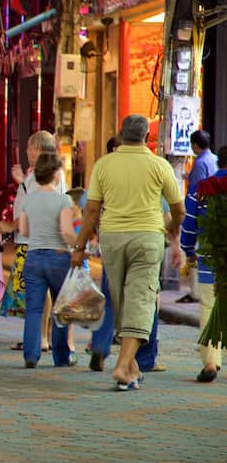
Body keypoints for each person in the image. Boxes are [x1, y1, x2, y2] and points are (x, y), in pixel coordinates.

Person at [71, 114, 185, 391]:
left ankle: (130, 366)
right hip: (147, 238)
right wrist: (173, 231)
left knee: (120, 299)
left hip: (112, 239)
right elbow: (179, 208)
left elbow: (91, 210)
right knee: (142, 300)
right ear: (147, 137)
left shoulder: (104, 165)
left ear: (120, 136)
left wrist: (79, 246)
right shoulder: (159, 165)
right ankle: (123, 367)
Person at [0, 131, 67, 353]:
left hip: (36, 245)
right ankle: (48, 346)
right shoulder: (48, 175)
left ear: (36, 147)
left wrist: (12, 226)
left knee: (42, 299)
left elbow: (33, 210)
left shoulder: (43, 174)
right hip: (44, 244)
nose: (26, 152)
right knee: (46, 297)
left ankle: (40, 345)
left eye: (28, 147)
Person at [17, 153, 78, 368]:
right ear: (55, 173)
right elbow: (66, 231)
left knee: (34, 308)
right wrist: (80, 244)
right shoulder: (63, 199)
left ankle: (31, 355)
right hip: (58, 257)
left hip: (33, 256)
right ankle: (61, 357)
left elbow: (23, 230)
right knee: (60, 308)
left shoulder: (28, 199)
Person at [181, 145, 227, 382]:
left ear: (219, 163)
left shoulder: (201, 190)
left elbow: (189, 223)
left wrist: (188, 250)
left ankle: (211, 362)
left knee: (209, 307)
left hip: (211, 256)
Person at [177, 130, 218, 304]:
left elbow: (196, 192)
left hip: (202, 214)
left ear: (195, 145)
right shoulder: (215, 159)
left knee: (198, 254)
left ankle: (197, 292)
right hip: (215, 213)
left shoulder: (200, 163)